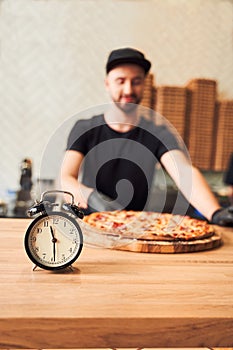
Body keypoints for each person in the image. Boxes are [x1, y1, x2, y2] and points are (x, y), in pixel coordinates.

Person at [60, 47, 233, 226]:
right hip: (88, 224)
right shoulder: (85, 128)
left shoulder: (158, 133)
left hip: (132, 229)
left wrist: (216, 213)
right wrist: (94, 199)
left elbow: (184, 172)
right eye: (120, 81)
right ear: (107, 83)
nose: (128, 89)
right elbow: (66, 177)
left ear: (144, 85)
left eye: (136, 81)